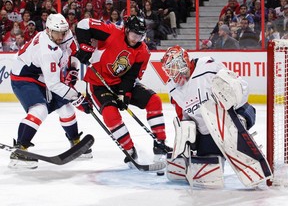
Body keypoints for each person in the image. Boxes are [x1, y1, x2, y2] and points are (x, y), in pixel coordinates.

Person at [160, 45, 269, 188]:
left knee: (231, 129)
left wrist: (233, 110)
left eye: (174, 67)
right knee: (208, 172)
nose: (172, 74)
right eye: (169, 70)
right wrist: (188, 140)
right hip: (208, 131)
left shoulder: (207, 66)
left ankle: (242, 140)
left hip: (235, 114)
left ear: (184, 61)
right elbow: (183, 116)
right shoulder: (173, 88)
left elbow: (240, 87)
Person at [74, 15, 172, 165]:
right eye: (133, 35)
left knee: (154, 100)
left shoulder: (143, 51)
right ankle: (130, 150)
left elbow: (131, 76)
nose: (136, 39)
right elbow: (83, 24)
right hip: (98, 83)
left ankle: (160, 143)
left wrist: (124, 93)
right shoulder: (111, 31)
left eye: (140, 36)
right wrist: (84, 46)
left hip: (121, 83)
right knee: (110, 114)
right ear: (126, 30)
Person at [9, 13, 93, 169]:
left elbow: (73, 52)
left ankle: (75, 141)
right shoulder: (47, 51)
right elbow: (54, 84)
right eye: (57, 32)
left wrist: (74, 69)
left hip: (43, 77)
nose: (61, 36)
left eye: (63, 31)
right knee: (39, 109)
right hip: (25, 78)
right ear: (48, 30)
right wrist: (78, 99)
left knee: (65, 107)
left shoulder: (61, 34)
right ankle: (20, 150)